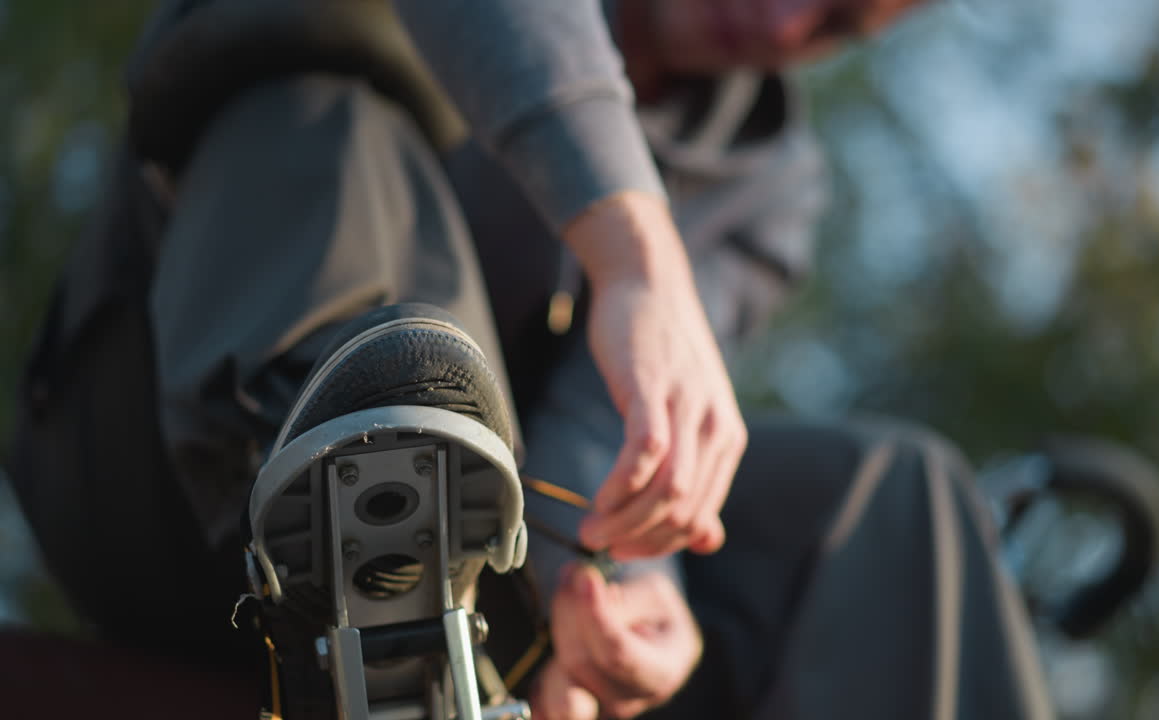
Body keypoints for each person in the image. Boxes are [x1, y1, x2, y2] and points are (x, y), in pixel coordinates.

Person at [8, 1, 1053, 718]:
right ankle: (373, 540)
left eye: (832, 20)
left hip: (481, 571)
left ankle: (423, 641)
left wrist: (620, 587)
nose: (779, 20)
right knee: (325, 88)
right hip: (158, 465)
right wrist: (634, 248)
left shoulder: (770, 187)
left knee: (892, 495)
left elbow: (604, 424)